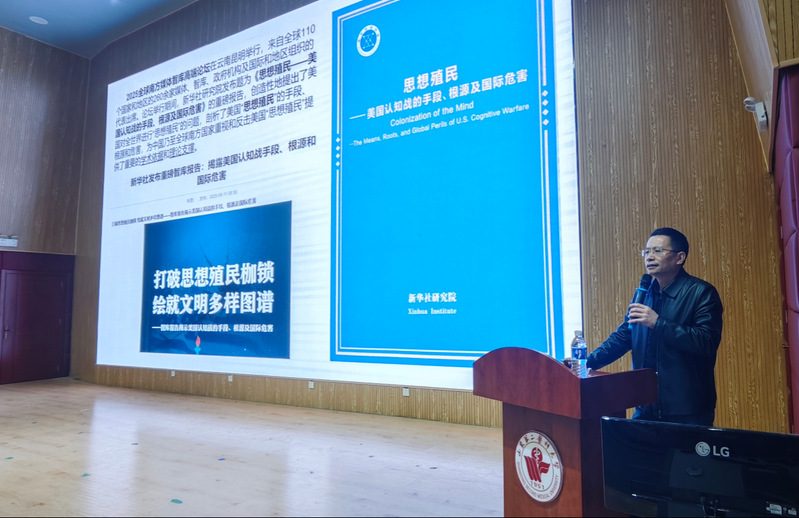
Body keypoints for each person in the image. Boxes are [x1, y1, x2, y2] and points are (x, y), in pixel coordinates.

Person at [583, 227, 723, 426]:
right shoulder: (644, 293)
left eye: (657, 251)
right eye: (646, 252)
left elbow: (706, 342)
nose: (649, 257)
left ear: (680, 257)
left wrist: (658, 323)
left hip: (686, 410)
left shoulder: (701, 293)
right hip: (645, 405)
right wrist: (585, 364)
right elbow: (624, 337)